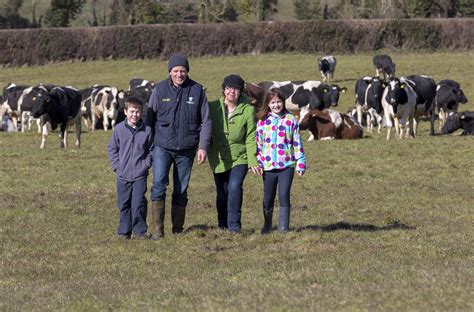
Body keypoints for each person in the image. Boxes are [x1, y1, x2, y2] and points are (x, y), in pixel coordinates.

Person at [146, 54, 211, 239]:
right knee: (158, 185)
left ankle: (177, 229)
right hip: (161, 147)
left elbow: (206, 121)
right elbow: (149, 120)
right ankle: (158, 230)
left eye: (182, 71)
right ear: (169, 72)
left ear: (187, 71)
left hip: (187, 149)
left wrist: (203, 146)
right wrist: (148, 145)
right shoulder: (159, 90)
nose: (179, 74)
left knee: (181, 189)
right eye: (175, 71)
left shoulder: (197, 90)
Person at [207, 74, 261, 233]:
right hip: (218, 157)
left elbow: (251, 136)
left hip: (240, 157)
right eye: (229, 88)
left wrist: (252, 160)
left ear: (241, 92)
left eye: (236, 89)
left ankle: (234, 226)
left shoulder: (248, 110)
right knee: (222, 192)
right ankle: (222, 224)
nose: (232, 91)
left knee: (234, 186)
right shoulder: (212, 107)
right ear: (224, 90)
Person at [255, 88, 306, 234]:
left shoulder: (291, 120)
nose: (276, 105)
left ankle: (284, 228)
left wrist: (300, 163)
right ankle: (267, 225)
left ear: (283, 102)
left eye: (279, 102)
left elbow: (297, 142)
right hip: (268, 166)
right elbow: (259, 144)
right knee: (268, 197)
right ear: (268, 104)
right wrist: (258, 162)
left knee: (284, 195)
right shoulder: (262, 121)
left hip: (287, 166)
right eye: (273, 102)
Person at [107, 96, 154, 240]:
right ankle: (124, 231)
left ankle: (140, 231)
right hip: (122, 175)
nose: (135, 115)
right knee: (124, 203)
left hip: (140, 175)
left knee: (139, 203)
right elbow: (112, 148)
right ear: (126, 111)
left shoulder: (147, 130)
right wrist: (117, 166)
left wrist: (145, 165)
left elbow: (152, 150)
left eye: (138, 112)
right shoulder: (119, 129)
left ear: (141, 112)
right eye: (132, 111)